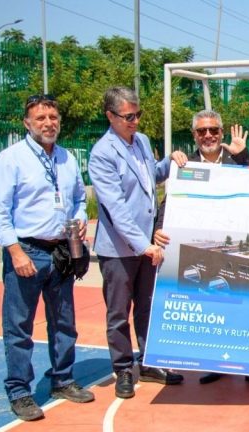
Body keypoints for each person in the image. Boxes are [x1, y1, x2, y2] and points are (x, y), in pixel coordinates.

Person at [152, 109, 249, 391]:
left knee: (246, 309)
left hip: (239, 249)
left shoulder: (237, 160)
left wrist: (245, 156)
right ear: (194, 135)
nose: (208, 135)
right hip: (205, 252)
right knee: (216, 309)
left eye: (213, 130)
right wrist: (157, 230)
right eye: (201, 131)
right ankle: (217, 365)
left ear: (221, 133)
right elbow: (169, 204)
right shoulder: (185, 165)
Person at [0, 94, 95, 421]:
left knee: (64, 321)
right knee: (19, 326)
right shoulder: (11, 159)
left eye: (53, 118)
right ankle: (19, 391)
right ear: (27, 123)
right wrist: (15, 252)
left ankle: (62, 379)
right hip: (27, 251)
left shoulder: (67, 158)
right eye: (40, 118)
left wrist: (80, 219)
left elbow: (79, 199)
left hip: (61, 251)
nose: (48, 123)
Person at [88, 86, 187, 399]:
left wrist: (170, 162)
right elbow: (115, 208)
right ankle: (122, 368)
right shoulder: (102, 154)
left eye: (137, 114)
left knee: (146, 306)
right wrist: (143, 244)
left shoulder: (141, 141)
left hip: (148, 247)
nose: (135, 121)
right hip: (119, 249)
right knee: (119, 312)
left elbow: (151, 177)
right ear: (110, 116)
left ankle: (147, 361)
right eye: (128, 116)